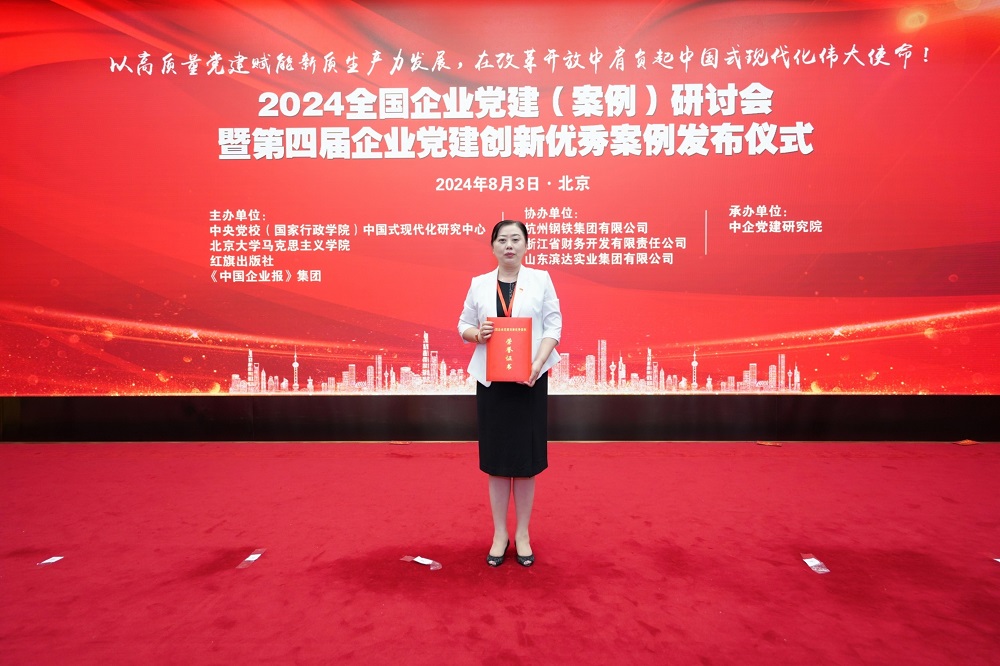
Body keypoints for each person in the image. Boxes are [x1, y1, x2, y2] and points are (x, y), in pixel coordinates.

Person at [457, 219, 563, 567]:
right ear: (493, 247)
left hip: (529, 380)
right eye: (502, 240)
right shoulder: (479, 284)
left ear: (526, 245)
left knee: (526, 463)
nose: (509, 246)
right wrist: (478, 334)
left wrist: (538, 363)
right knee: (498, 462)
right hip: (492, 383)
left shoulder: (541, 280)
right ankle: (500, 533)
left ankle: (523, 534)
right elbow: (463, 325)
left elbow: (554, 325)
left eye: (516, 239)